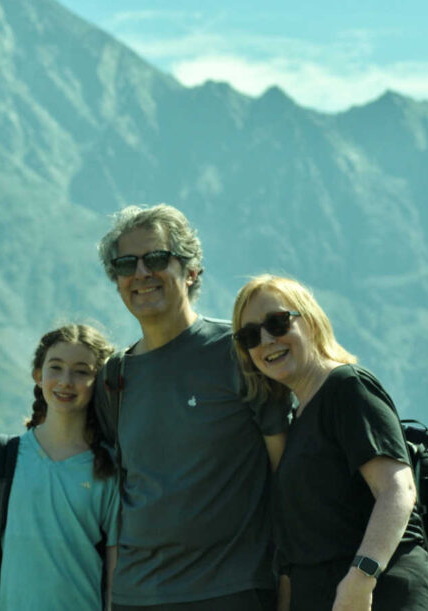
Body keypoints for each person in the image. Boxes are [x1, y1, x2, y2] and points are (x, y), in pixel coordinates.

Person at [94, 204, 291, 610]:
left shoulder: (240, 351)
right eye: (127, 264)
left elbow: (290, 475)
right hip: (137, 596)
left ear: (191, 270)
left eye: (157, 258)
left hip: (231, 592)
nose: (142, 273)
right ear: (117, 281)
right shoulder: (113, 377)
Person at [231, 275, 428, 611]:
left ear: (309, 321)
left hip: (378, 595)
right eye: (250, 336)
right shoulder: (298, 419)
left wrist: (361, 579)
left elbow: (398, 490)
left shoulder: (347, 387)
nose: (266, 340)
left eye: (278, 322)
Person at [0, 324, 121, 611]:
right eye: (55, 368)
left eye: (82, 371)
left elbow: (114, 577)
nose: (66, 380)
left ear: (98, 381)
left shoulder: (108, 468)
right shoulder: (2, 459)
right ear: (38, 375)